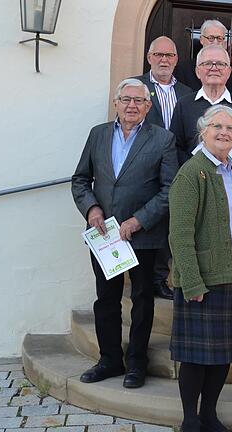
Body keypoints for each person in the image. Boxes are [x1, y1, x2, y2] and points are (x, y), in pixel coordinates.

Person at [71, 78, 178, 389]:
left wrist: (137, 221)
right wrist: (91, 209)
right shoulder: (98, 135)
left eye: (139, 101)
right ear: (116, 102)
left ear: (148, 106)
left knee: (142, 300)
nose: (132, 106)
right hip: (103, 236)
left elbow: (169, 189)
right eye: (126, 99)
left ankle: (136, 364)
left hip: (142, 236)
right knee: (106, 299)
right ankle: (109, 359)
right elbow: (80, 179)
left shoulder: (163, 139)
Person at [168, 105, 232, 432]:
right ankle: (190, 418)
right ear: (203, 132)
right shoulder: (191, 173)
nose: (223, 132)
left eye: (230, 128)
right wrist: (191, 282)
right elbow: (179, 233)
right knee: (195, 355)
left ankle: (209, 414)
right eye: (217, 126)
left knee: (223, 353)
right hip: (202, 273)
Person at [133, 35, 193, 301]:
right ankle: (149, 279)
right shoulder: (136, 87)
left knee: (173, 220)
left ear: (176, 60)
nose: (164, 60)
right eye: (158, 55)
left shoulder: (187, 93)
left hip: (179, 165)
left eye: (169, 56)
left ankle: (167, 276)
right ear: (149, 58)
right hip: (146, 166)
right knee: (151, 219)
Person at [170, 45, 232, 183]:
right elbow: (175, 146)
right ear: (197, 71)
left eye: (220, 64)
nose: (214, 68)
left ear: (229, 71)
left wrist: (230, 166)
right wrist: (197, 168)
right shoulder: (184, 104)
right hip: (194, 181)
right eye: (207, 63)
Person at [174, 19, 232, 91]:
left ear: (224, 42)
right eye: (211, 38)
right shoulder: (183, 70)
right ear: (201, 40)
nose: (215, 42)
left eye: (219, 38)